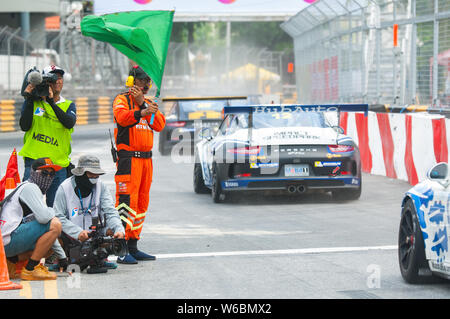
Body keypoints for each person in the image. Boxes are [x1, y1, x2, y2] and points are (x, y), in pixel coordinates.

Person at [112, 65, 165, 264]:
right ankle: (121, 247)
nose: (147, 86)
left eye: (148, 83)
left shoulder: (148, 102)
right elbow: (122, 118)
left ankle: (133, 245)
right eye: (143, 83)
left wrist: (143, 105)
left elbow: (159, 124)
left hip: (146, 161)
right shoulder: (121, 100)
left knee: (141, 203)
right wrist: (141, 111)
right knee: (126, 203)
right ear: (132, 82)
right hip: (128, 160)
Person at [53, 155, 125, 271]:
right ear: (81, 173)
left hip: (94, 231)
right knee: (54, 228)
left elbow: (110, 211)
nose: (94, 178)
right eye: (91, 174)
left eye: (96, 175)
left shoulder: (101, 186)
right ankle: (62, 258)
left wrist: (119, 230)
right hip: (71, 235)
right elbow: (58, 216)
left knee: (112, 230)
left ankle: (99, 257)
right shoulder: (64, 188)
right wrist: (77, 233)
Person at [1, 157, 68, 281]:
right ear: (33, 173)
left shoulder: (27, 187)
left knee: (53, 239)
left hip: (6, 241)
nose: (48, 177)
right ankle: (30, 270)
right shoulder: (31, 188)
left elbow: (47, 231)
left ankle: (11, 262)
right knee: (55, 224)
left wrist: (63, 258)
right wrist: (52, 211)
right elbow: (45, 219)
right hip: (7, 241)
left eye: (51, 174)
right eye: (44, 173)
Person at [19, 65, 77, 207]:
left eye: (60, 77)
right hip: (34, 163)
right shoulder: (34, 102)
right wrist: (28, 98)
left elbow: (69, 123)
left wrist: (51, 102)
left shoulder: (68, 105)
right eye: (53, 78)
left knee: (57, 209)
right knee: (28, 207)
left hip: (58, 165)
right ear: (44, 82)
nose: (57, 80)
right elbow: (24, 126)